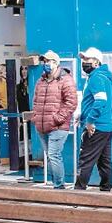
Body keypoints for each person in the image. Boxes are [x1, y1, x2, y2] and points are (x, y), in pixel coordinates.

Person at [32, 50, 78, 190]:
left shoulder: (66, 80)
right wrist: (36, 117)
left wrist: (57, 119)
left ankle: (59, 186)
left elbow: (71, 103)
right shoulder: (41, 80)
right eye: (44, 61)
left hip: (58, 126)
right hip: (42, 125)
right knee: (51, 156)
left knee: (53, 155)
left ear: (56, 63)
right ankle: (57, 184)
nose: (45, 64)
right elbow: (36, 101)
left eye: (48, 61)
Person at [74, 47, 112, 191]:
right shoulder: (103, 77)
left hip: (96, 127)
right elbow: (97, 101)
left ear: (96, 62)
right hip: (107, 127)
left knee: (85, 160)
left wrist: (90, 121)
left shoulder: (96, 78)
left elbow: (100, 101)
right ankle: (106, 190)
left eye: (87, 59)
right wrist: (82, 116)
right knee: (104, 161)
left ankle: (78, 192)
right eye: (83, 59)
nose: (84, 62)